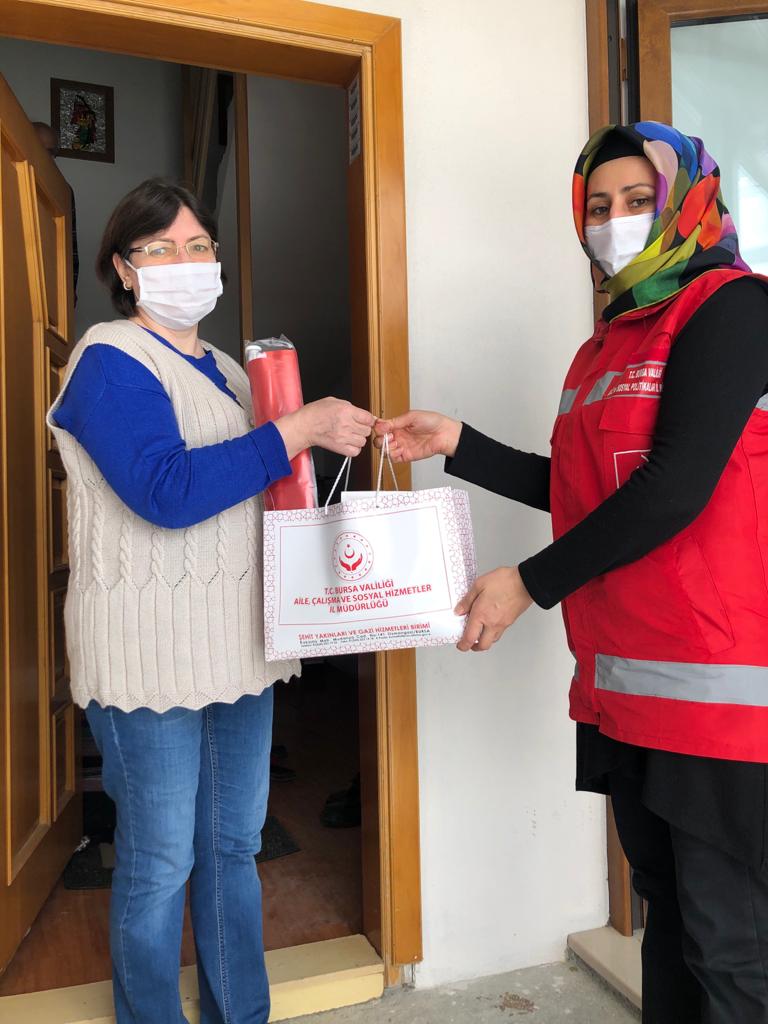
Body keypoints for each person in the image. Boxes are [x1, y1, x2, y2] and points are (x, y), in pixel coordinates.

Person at [375, 122, 768, 1024]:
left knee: (734, 950)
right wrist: (458, 443)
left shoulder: (733, 310)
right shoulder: (606, 346)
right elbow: (585, 491)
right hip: (625, 687)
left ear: (687, 201)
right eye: (598, 206)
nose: (614, 221)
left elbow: (674, 489)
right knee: (669, 921)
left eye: (638, 200)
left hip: (720, 696)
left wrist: (528, 582)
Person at [46, 177, 376, 1024]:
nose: (184, 262)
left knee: (232, 844)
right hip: (147, 656)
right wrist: (295, 430)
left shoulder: (231, 371)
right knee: (160, 860)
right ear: (124, 269)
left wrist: (346, 440)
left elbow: (260, 485)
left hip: (239, 647)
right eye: (160, 249)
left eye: (198, 246)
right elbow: (166, 491)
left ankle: (242, 1014)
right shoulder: (107, 359)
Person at [33, 121, 79, 303]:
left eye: (50, 151)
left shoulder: (63, 192)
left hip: (50, 287)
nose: (45, 156)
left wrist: (70, 289)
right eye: (38, 147)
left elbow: (70, 246)